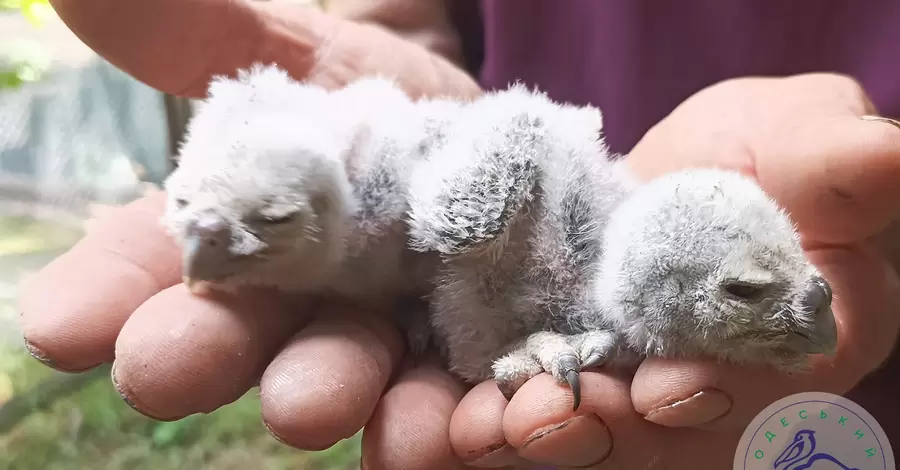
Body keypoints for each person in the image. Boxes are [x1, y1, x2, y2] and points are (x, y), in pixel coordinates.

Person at [19, 0, 900, 468]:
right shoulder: (491, 193)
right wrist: (392, 32)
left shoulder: (574, 255)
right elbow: (480, 160)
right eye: (753, 289)